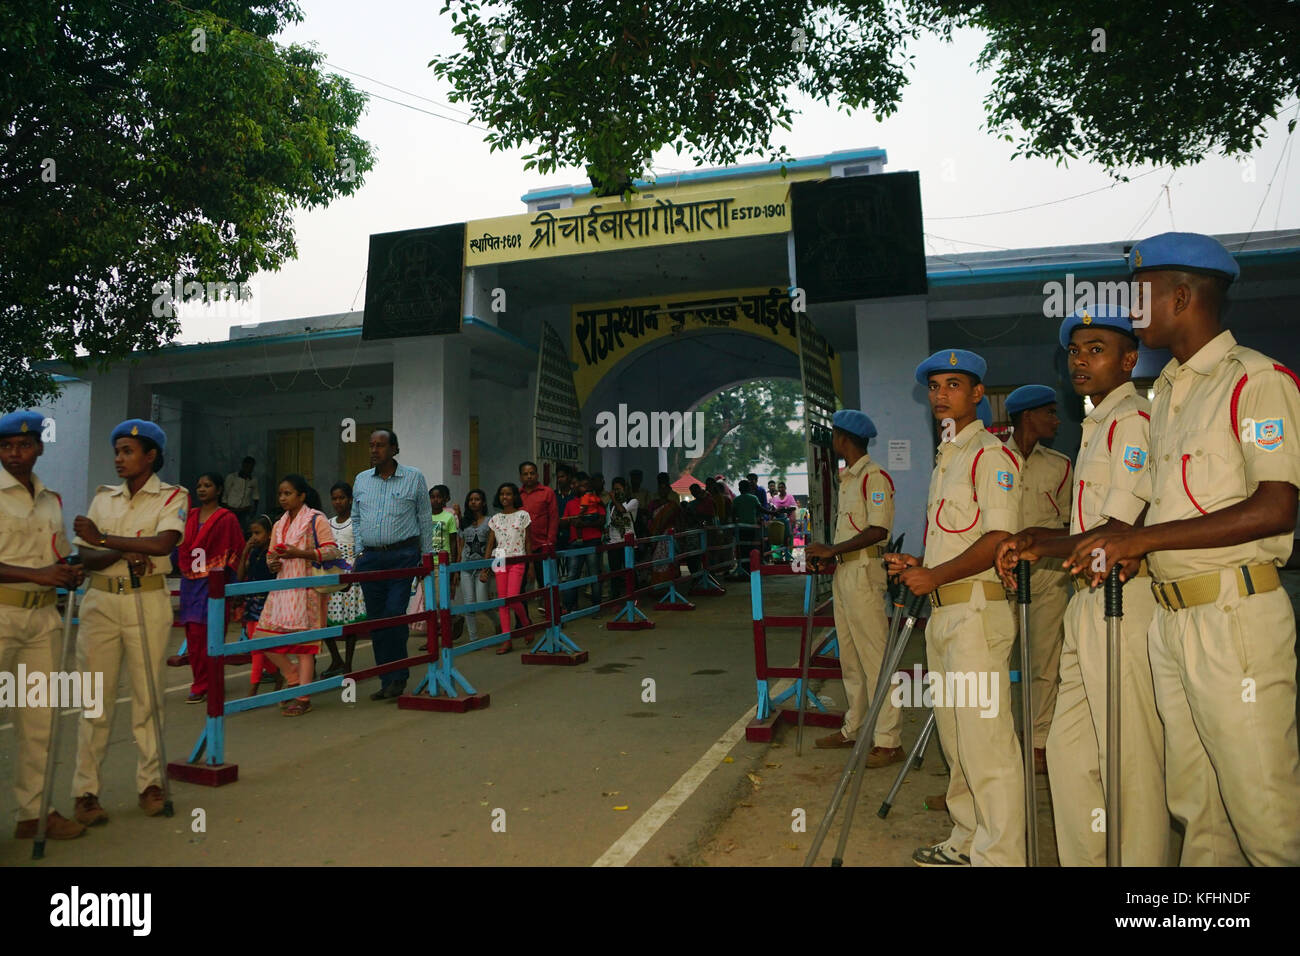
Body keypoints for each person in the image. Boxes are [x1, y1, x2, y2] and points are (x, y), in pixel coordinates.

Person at [1064, 233, 1300, 866]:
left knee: (1265, 814)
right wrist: (1133, 547)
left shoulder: (1255, 381)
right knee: (1200, 813)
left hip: (1233, 619)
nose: (1133, 305)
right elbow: (1178, 507)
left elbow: (1276, 506)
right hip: (1171, 621)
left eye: (1140, 292)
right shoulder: (1165, 394)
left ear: (1183, 295)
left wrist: (1141, 538)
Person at [997, 305, 1172, 866]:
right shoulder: (1096, 428)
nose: (1080, 360)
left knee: (1129, 757)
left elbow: (1118, 528)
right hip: (1085, 602)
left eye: (1096, 349)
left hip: (1125, 602)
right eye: (1075, 350)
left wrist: (1037, 543)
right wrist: (1041, 540)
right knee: (1072, 755)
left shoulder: (1134, 423)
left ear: (1129, 359)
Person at [884, 350, 1026, 867]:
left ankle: (1002, 855)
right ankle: (967, 839)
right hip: (943, 613)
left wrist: (935, 575)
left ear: (976, 396)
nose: (941, 395)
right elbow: (956, 541)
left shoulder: (991, 456)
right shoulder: (948, 458)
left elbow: (999, 536)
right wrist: (920, 563)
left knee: (986, 742)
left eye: (953, 385)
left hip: (975, 612)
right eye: (935, 387)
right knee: (956, 739)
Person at [71, 419, 186, 823]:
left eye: (128, 452)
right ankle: (86, 792)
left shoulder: (173, 497)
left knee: (148, 697)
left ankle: (150, 784)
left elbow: (162, 544)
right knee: (94, 701)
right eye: (117, 451)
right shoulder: (103, 498)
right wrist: (120, 549)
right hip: (100, 600)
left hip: (146, 599)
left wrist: (104, 540)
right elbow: (84, 559)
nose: (119, 459)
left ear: (150, 456)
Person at [0, 410, 87, 840]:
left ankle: (34, 814)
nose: (15, 454)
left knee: (40, 722)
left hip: (42, 620)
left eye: (24, 445)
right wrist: (39, 575)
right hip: (1, 616)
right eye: (6, 447)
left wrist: (69, 570)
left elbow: (59, 555)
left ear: (38, 448)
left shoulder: (51, 499)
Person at [806, 410, 902, 766]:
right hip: (845, 573)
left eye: (834, 435)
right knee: (850, 658)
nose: (832, 441)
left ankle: (889, 740)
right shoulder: (848, 478)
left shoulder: (874, 478)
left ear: (842, 438)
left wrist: (832, 550)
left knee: (876, 659)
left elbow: (878, 530)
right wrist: (831, 556)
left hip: (864, 572)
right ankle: (855, 728)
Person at [1002, 384, 1073, 774]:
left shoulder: (1061, 465)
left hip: (1047, 574)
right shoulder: (993, 459)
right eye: (1050, 412)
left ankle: (1038, 741)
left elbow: (1067, 523)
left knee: (1046, 659)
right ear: (1028, 416)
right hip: (1001, 574)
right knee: (994, 658)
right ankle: (1000, 741)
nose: (1056, 420)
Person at [351, 429, 433, 702]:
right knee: (376, 620)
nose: (374, 450)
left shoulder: (414, 477)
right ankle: (388, 678)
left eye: (381, 445)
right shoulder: (361, 479)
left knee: (393, 615)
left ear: (395, 449)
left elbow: (424, 517)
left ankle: (398, 676)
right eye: (371, 445)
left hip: (403, 555)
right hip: (371, 558)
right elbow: (356, 518)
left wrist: (426, 556)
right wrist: (360, 552)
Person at [251, 475, 339, 717]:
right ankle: (292, 677)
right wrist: (273, 564)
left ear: (301, 496)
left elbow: (332, 551)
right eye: (280, 494)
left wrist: (299, 553)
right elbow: (271, 556)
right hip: (282, 588)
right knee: (263, 638)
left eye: (288, 493)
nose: (283, 498)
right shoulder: (279, 524)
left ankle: (303, 697)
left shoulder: (316, 519)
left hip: (308, 590)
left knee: (304, 646)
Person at [177, 472, 245, 703]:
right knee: (193, 636)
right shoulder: (190, 516)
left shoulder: (227, 519)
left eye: (207, 485)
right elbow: (180, 545)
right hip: (190, 583)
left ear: (218, 490)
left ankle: (209, 684)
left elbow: (237, 552)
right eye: (199, 485)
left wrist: (237, 590)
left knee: (211, 635)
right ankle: (201, 681)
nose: (202, 489)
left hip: (215, 584)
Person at [483, 482, 531, 654]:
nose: (505, 497)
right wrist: (485, 567)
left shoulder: (523, 515)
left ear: (514, 496)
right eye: (502, 494)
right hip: (500, 558)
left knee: (512, 597)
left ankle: (526, 625)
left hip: (518, 557)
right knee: (502, 601)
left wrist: (531, 564)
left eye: (509, 494)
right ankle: (506, 639)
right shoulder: (494, 519)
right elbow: (490, 544)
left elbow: (528, 542)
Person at [322, 482, 364, 678]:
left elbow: (360, 551)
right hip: (331, 575)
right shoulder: (328, 523)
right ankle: (335, 659)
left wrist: (351, 575)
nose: (338, 502)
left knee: (349, 623)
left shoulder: (356, 523)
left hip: (349, 577)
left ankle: (347, 663)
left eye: (341, 498)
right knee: (325, 621)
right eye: (334, 498)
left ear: (350, 499)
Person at [237, 515, 282, 694]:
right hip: (252, 603)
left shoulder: (272, 554)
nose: (254, 537)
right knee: (258, 647)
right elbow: (240, 576)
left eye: (258, 533)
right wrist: (244, 552)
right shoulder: (254, 553)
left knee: (258, 647)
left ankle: (253, 686)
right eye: (252, 533)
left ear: (270, 534)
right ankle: (277, 675)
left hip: (267, 604)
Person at [561, 474, 607, 613]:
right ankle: (568, 608)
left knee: (594, 575)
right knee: (571, 576)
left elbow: (601, 521)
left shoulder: (596, 501)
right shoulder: (570, 503)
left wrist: (584, 524)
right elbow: (563, 522)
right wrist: (570, 521)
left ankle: (596, 608)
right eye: (580, 485)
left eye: (585, 485)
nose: (582, 488)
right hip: (575, 542)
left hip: (592, 541)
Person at [519, 461, 558, 607]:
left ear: (537, 475)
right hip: (522, 548)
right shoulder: (517, 495)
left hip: (543, 546)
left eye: (532, 473)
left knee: (547, 584)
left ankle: (554, 618)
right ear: (521, 477)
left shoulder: (547, 492)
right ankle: (524, 624)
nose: (529, 476)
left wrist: (550, 542)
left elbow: (554, 518)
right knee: (520, 588)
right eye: (525, 474)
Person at [458, 489, 492, 641]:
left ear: (483, 502)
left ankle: (497, 622)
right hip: (465, 568)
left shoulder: (489, 521)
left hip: (482, 569)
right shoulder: (464, 522)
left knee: (482, 602)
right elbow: (460, 545)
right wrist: (457, 567)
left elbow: (492, 546)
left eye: (477, 499)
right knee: (469, 604)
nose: (473, 502)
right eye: (471, 499)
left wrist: (487, 568)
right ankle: (473, 638)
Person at [605, 477, 638, 599]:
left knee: (630, 571)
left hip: (627, 542)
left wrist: (613, 499)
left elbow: (622, 510)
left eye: (618, 489)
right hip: (613, 542)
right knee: (615, 573)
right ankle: (615, 598)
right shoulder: (611, 505)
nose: (616, 492)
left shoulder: (632, 501)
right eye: (614, 490)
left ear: (625, 489)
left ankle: (633, 596)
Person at [222, 457, 259, 531]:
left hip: (244, 511)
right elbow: (225, 494)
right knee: (229, 529)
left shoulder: (253, 481)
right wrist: (226, 509)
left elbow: (256, 497)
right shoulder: (232, 477)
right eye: (247, 466)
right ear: (243, 465)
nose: (249, 469)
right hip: (230, 509)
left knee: (242, 530)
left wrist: (253, 512)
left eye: (251, 467)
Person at [731, 480, 763, 565]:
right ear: (749, 488)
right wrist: (774, 513)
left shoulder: (736, 500)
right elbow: (761, 509)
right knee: (753, 547)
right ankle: (752, 566)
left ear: (739, 489)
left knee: (742, 548)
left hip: (741, 528)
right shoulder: (753, 498)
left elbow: (733, 515)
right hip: (752, 528)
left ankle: (743, 566)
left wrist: (734, 527)